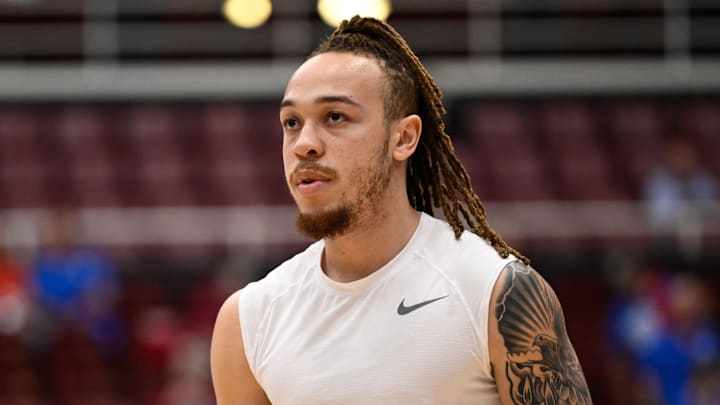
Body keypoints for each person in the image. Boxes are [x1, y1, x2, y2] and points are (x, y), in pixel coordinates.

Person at [211, 16, 592, 404]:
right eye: (292, 122)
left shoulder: (498, 291)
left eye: (335, 117)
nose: (304, 144)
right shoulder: (248, 319)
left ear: (404, 137)